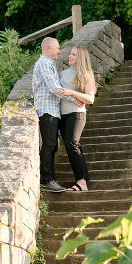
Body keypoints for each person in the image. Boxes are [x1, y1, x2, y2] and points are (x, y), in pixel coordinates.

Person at [32, 37, 80, 192]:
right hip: (47, 111)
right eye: (57, 48)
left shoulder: (49, 64)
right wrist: (74, 99)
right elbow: (53, 88)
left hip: (53, 111)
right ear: (48, 48)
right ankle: (47, 180)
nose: (60, 51)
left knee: (52, 145)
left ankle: (50, 179)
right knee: (49, 144)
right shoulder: (44, 63)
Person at [58, 46, 96, 191]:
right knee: (73, 145)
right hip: (63, 115)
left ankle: (81, 182)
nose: (69, 56)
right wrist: (70, 95)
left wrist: (72, 93)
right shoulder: (63, 74)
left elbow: (90, 98)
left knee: (71, 144)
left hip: (77, 114)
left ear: (80, 58)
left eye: (73, 54)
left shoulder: (86, 74)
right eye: (70, 54)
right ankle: (83, 180)